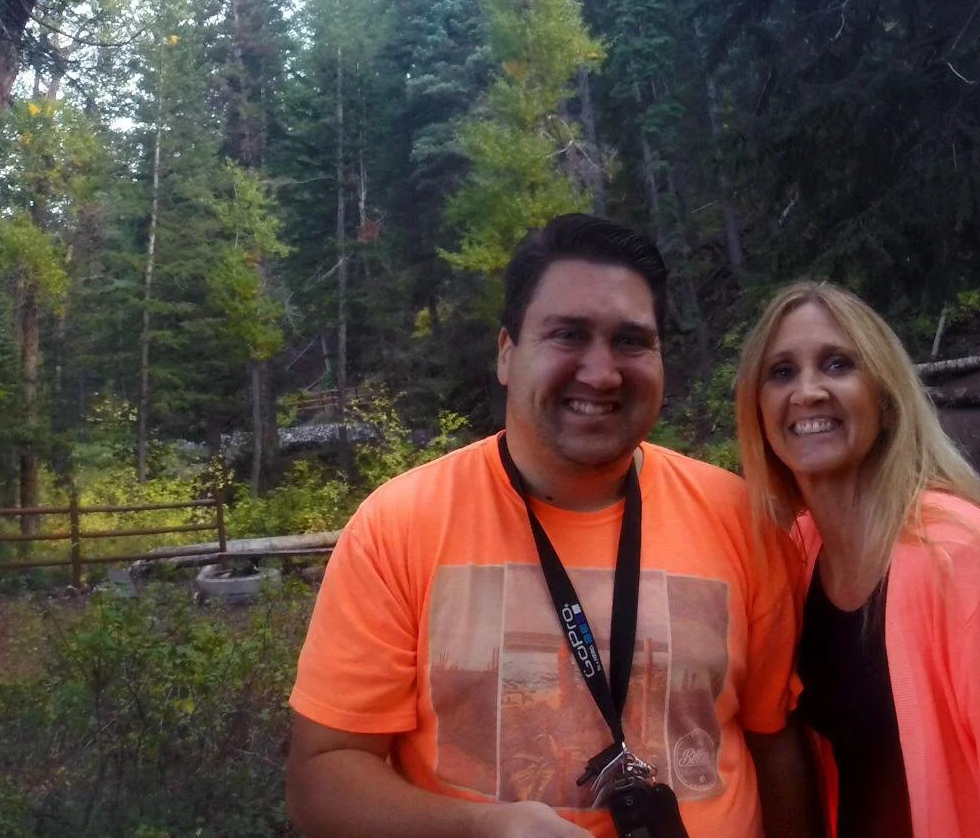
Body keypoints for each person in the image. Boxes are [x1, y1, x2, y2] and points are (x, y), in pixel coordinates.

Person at [286, 215, 819, 838]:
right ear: (507, 353)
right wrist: (481, 830)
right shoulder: (399, 524)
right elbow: (322, 774)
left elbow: (776, 745)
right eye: (568, 335)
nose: (601, 372)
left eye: (631, 341)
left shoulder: (740, 520)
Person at [734, 281, 980, 838]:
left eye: (837, 364)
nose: (807, 391)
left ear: (884, 397)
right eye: (781, 372)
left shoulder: (964, 560)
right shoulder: (803, 554)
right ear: (757, 408)